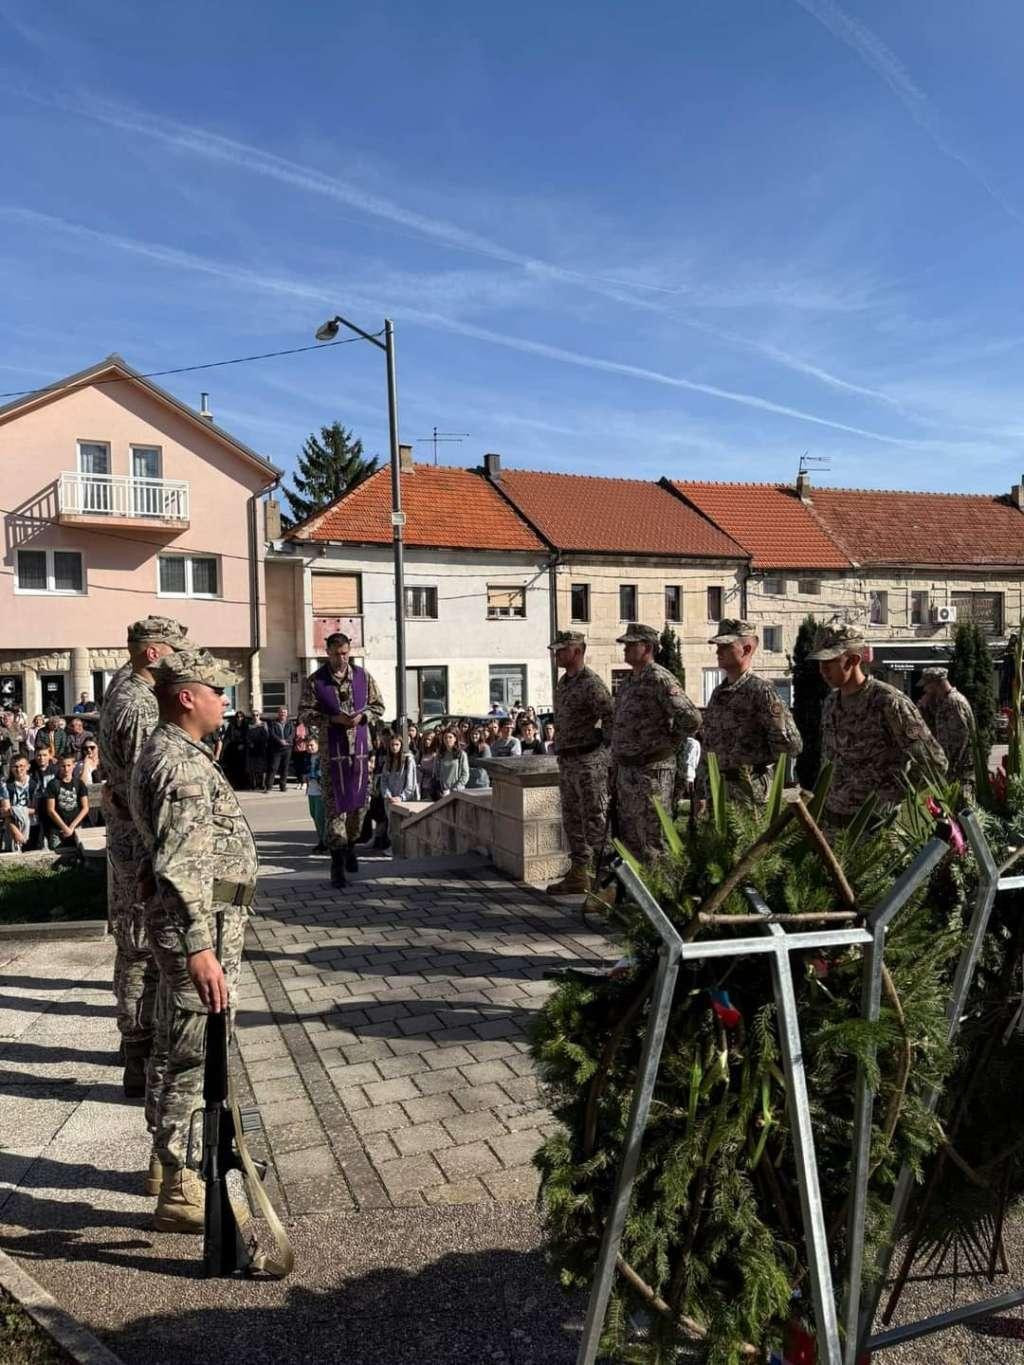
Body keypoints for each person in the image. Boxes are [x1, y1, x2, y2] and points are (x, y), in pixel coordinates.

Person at [130, 648, 257, 1233]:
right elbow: (180, 866)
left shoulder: (178, 751)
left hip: (198, 925)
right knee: (188, 1053)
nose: (224, 700)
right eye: (217, 691)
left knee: (178, 1044)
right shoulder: (178, 763)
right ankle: (178, 1184)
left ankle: (168, 1168)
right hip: (197, 930)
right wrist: (199, 947)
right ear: (187, 697)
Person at [99, 614, 189, 1101]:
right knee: (139, 950)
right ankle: (137, 1055)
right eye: (176, 649)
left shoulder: (125, 683)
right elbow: (143, 789)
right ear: (154, 653)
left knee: (137, 947)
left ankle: (136, 1047)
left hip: (129, 840)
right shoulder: (136, 703)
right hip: (140, 847)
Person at [809, 623, 948, 825]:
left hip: (876, 826)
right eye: (820, 662)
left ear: (853, 660)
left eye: (830, 662)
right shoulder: (831, 703)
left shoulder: (888, 702)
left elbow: (934, 762)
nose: (822, 670)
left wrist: (896, 796)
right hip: (834, 822)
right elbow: (829, 760)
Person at [298, 631, 385, 890]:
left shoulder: (362, 677)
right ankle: (336, 865)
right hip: (331, 755)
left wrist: (364, 717)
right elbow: (304, 713)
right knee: (335, 809)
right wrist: (331, 720)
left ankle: (350, 846)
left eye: (345, 652)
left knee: (358, 807)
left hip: (359, 754)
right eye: (336, 654)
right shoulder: (316, 681)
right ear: (328, 653)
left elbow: (379, 706)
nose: (341, 658)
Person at [611, 623, 700, 862]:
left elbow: (691, 718)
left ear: (648, 647)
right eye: (625, 645)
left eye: (631, 645)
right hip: (628, 771)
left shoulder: (659, 678)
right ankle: (634, 896)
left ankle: (661, 894)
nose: (625, 649)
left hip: (653, 772)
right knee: (630, 837)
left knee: (654, 839)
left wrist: (670, 743)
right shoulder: (629, 681)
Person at [696, 620, 803, 810]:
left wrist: (759, 763)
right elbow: (709, 745)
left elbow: (791, 744)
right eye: (718, 646)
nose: (718, 652)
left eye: (725, 646)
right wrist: (701, 789)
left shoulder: (761, 690)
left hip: (750, 792)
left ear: (746, 649)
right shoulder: (719, 693)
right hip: (718, 790)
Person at [545, 631, 614, 896]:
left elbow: (610, 716)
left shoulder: (591, 683)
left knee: (595, 822)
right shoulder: (564, 682)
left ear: (577, 651)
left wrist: (600, 746)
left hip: (588, 762)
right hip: (568, 761)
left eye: (562, 650)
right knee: (573, 821)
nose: (557, 654)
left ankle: (605, 883)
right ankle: (579, 875)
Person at [919, 666, 976, 797]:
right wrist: (923, 708)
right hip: (954, 769)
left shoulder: (953, 702)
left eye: (927, 685)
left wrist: (950, 768)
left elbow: (960, 739)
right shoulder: (945, 701)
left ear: (935, 683)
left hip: (960, 770)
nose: (925, 689)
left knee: (963, 811)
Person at [377, 734, 419, 846]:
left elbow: (411, 783)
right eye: (392, 745)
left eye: (397, 744)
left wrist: (401, 797)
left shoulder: (408, 760)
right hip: (390, 798)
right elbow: (384, 780)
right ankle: (393, 846)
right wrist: (387, 795)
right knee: (392, 824)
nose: (394, 747)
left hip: (403, 799)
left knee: (404, 825)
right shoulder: (388, 761)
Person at [44, 753, 89, 848]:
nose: (66, 769)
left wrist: (72, 827)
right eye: (63, 766)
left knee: (81, 852)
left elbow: (85, 808)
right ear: (59, 766)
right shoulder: (52, 784)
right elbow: (51, 810)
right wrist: (65, 828)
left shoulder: (79, 783)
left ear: (74, 765)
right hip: (58, 828)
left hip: (76, 826)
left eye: (69, 765)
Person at [0, 755, 33, 852]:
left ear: (28, 766)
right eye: (15, 767)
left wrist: (14, 810)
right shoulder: (5, 785)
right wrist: (15, 832)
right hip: (12, 825)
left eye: (21, 766)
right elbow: (5, 813)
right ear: (10, 768)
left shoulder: (34, 783)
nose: (19, 769)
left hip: (33, 824)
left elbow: (38, 809)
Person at [305, 737, 327, 853]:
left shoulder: (322, 758)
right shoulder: (308, 758)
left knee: (320, 817)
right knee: (314, 815)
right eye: (308, 745)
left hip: (320, 791)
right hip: (311, 790)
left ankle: (324, 841)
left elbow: (323, 774)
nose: (310, 748)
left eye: (312, 745)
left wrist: (318, 777)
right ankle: (321, 839)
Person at [266, 706, 296, 792]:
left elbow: (292, 734)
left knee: (285, 768)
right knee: (273, 767)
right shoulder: (273, 723)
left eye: (284, 712)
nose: (283, 714)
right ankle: (269, 787)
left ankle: (283, 786)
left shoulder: (290, 723)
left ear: (287, 714)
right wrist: (280, 741)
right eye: (281, 712)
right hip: (276, 749)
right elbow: (272, 734)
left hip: (287, 748)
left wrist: (287, 741)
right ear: (278, 713)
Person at [434, 728, 470, 796]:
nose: (447, 740)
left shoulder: (461, 754)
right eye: (445, 737)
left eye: (450, 737)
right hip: (444, 791)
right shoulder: (440, 754)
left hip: (458, 791)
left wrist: (456, 788)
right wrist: (441, 788)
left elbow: (465, 774)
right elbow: (437, 772)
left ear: (455, 739)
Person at [246, 712, 269, 790]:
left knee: (262, 768)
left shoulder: (263, 724)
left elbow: (266, 736)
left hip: (261, 749)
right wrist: (250, 743)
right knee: (252, 768)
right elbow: (247, 737)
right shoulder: (249, 725)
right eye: (253, 715)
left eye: (257, 715)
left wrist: (261, 743)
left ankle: (262, 784)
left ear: (259, 716)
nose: (255, 717)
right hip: (252, 749)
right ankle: (253, 785)